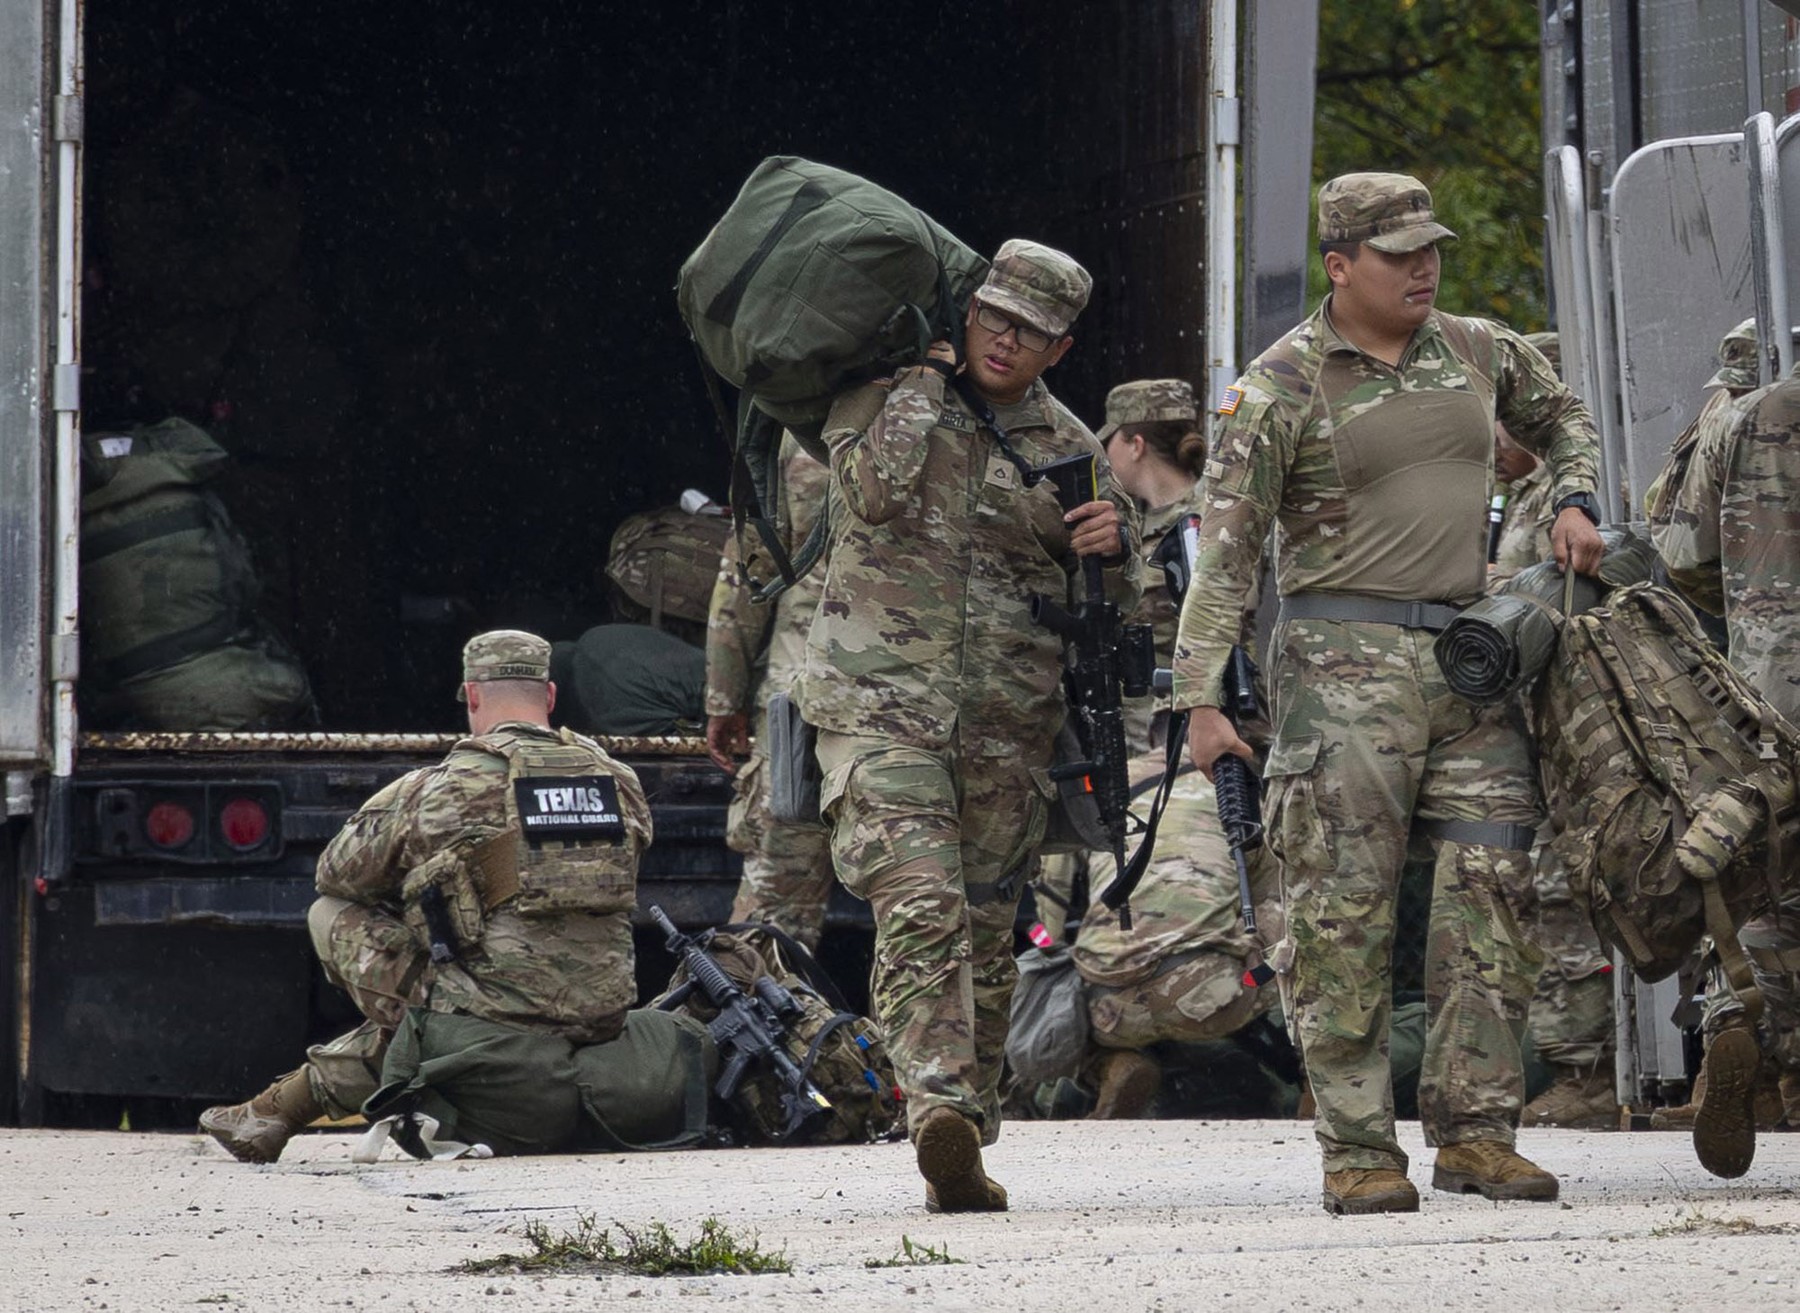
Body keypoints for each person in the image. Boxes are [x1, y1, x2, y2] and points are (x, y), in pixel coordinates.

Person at [1171, 173, 1605, 1215]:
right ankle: (1359, 1147)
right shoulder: (1281, 385)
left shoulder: (1479, 348)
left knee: (1492, 890)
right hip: (1341, 668)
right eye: (1397, 252)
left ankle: (1477, 1132)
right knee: (1342, 912)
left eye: (1430, 249)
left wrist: (1576, 496)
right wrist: (1200, 697)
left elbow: (1567, 415)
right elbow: (1224, 552)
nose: (1423, 266)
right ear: (1338, 264)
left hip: (1473, 660)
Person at [796, 239, 1142, 1211]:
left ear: (1060, 346)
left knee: (990, 935)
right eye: (994, 316)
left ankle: (967, 1133)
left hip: (1005, 731)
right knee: (922, 905)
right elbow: (868, 490)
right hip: (880, 713)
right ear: (968, 311)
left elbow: (1127, 611)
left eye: (1030, 330)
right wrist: (925, 380)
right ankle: (936, 1105)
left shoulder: (1071, 451)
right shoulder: (885, 396)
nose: (1005, 339)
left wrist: (1113, 549)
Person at [198, 630, 650, 1162]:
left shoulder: (435, 788)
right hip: (601, 1010)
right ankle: (272, 1112)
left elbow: (338, 877)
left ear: (472, 695)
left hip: (492, 1017)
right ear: (549, 697)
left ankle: (274, 1111)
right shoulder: (620, 781)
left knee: (332, 914)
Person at [1647, 361, 1800, 1178]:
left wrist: (1755, 598)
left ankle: (1743, 1021)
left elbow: (1681, 549)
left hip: (1771, 685)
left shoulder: (1748, 414)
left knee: (1772, 874)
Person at [1480, 332, 1621, 1131]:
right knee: (1535, 887)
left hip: (1573, 724)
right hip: (1528, 723)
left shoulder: (1574, 501)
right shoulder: (1519, 499)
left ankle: (1589, 1073)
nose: (1493, 439)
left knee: (1567, 888)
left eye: (1502, 423)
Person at [705, 434, 837, 950]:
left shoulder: (796, 434)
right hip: (922, 711)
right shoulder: (961, 422)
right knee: (928, 909)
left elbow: (745, 580)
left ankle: (765, 1021)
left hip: (801, 705)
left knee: (776, 912)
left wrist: (724, 701)